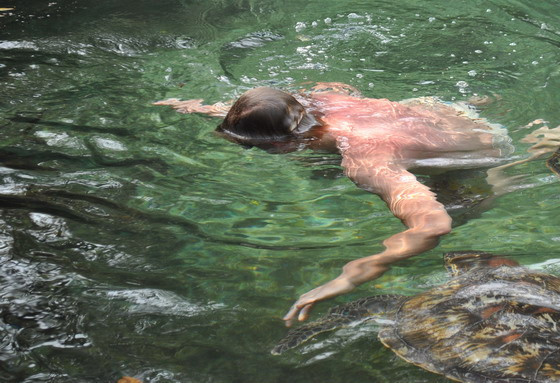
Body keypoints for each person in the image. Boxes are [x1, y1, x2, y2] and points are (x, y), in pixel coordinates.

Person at [154, 82, 518, 326]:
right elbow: (282, 107)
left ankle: (515, 167)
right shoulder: (318, 100)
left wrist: (353, 275)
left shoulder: (363, 159)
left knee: (462, 208)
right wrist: (196, 108)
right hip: (436, 111)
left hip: (483, 148)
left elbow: (434, 226)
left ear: (281, 145)